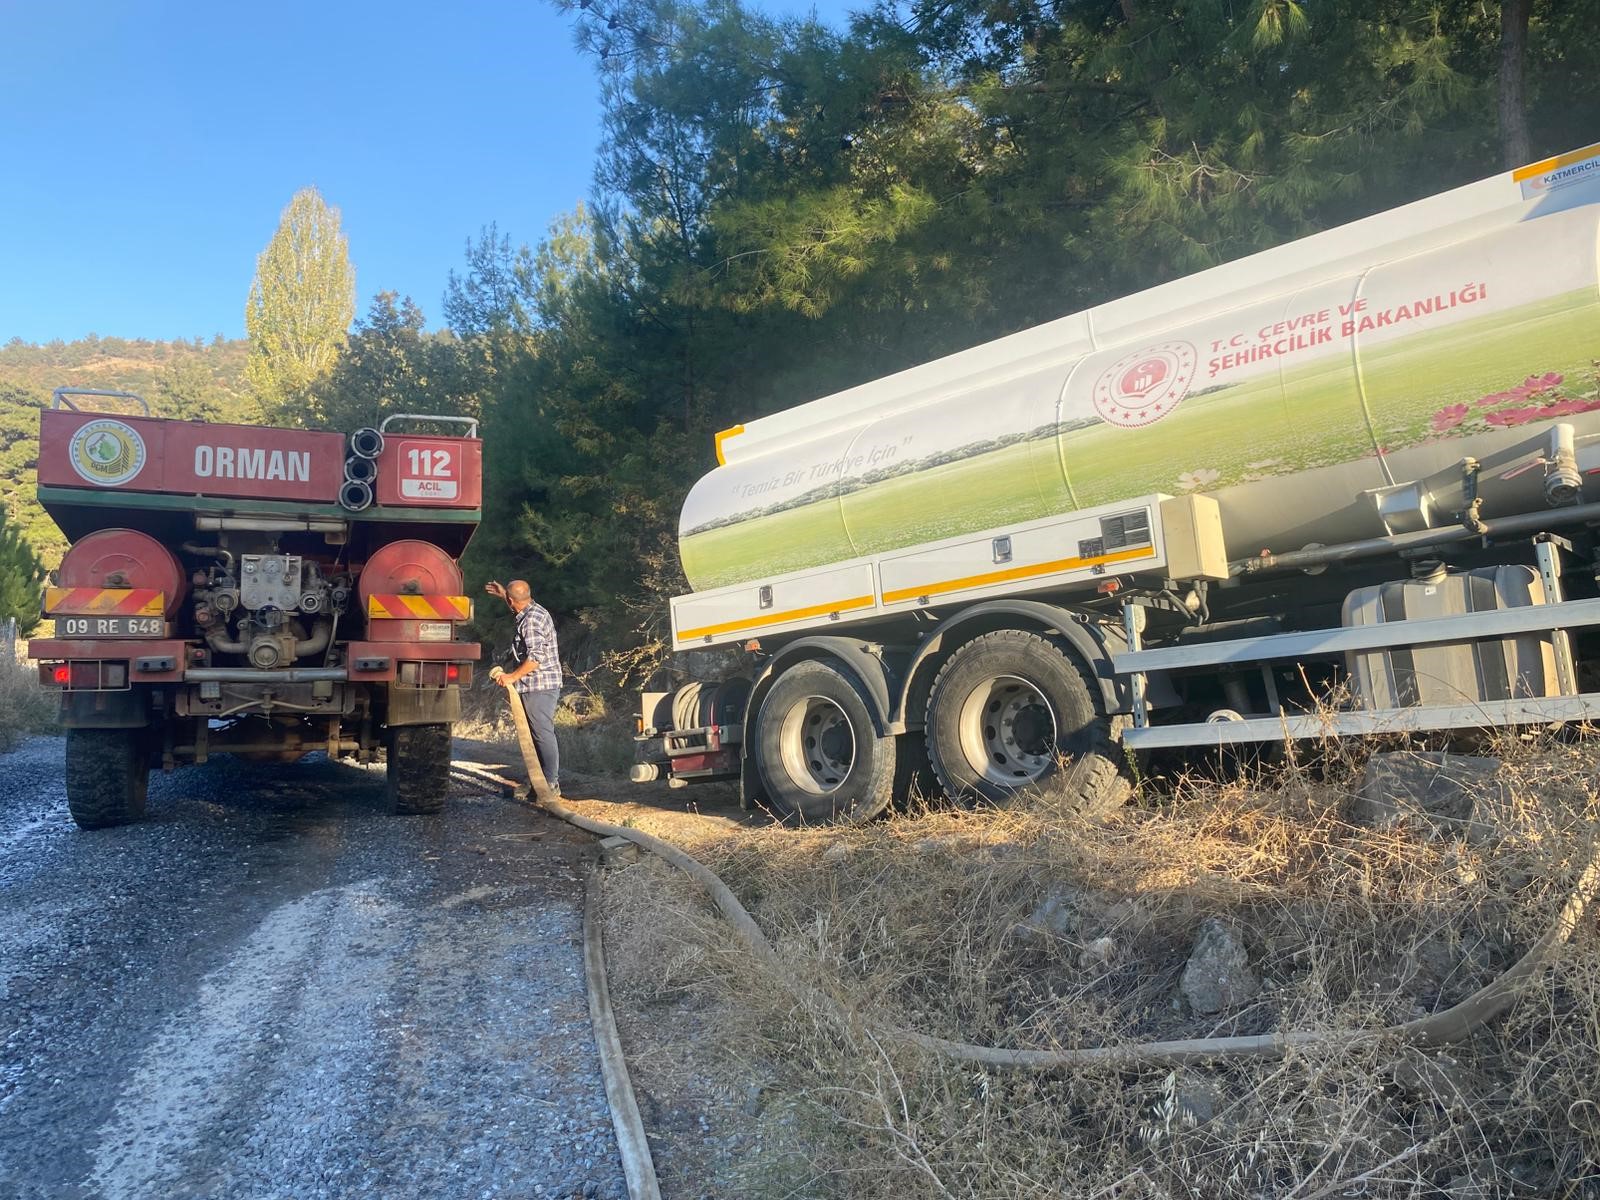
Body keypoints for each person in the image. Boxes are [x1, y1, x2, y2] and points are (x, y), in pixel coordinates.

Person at [485, 578, 562, 795]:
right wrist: (505, 596)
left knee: (541, 733)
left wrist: (511, 677)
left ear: (511, 600)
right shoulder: (533, 611)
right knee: (533, 734)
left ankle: (550, 783)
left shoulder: (531, 621)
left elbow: (536, 657)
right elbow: (518, 605)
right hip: (534, 684)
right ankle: (538, 781)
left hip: (540, 684)